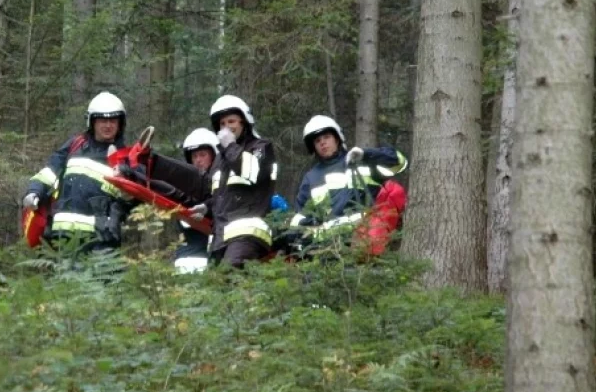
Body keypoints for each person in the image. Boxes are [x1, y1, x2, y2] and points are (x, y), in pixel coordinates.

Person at [137, 95, 278, 269]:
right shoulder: (221, 159)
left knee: (230, 278)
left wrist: (230, 147)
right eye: (222, 124)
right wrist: (207, 206)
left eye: (231, 121)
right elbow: (207, 186)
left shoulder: (261, 147)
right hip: (220, 237)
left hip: (248, 233)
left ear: (244, 122)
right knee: (218, 287)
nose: (227, 128)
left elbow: (253, 173)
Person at [22, 92, 137, 254]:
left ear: (120, 123)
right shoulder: (74, 145)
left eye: (113, 120)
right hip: (62, 238)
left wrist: (126, 179)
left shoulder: (127, 159)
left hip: (102, 241)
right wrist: (34, 191)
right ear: (92, 121)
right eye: (102, 120)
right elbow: (49, 172)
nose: (108, 125)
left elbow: (134, 200)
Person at [290, 115, 408, 256]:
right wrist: (309, 223)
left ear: (337, 138)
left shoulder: (359, 160)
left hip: (368, 243)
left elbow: (399, 162)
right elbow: (299, 216)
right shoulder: (311, 178)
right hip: (329, 250)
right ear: (313, 147)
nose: (322, 143)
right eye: (317, 141)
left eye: (326, 137)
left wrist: (367, 154)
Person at [172, 128, 218, 274]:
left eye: (203, 155)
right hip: (187, 255)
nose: (198, 160)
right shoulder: (182, 186)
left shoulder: (223, 183)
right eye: (195, 156)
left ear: (214, 156)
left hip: (214, 253)